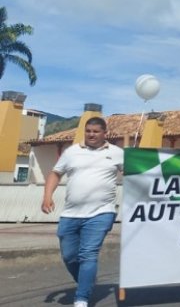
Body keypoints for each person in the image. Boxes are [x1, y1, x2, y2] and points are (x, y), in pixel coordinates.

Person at [41, 117, 124, 307]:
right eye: (88, 131)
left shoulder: (117, 153)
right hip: (70, 213)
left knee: (88, 254)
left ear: (105, 133)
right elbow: (55, 173)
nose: (91, 134)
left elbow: (132, 173)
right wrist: (47, 196)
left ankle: (82, 298)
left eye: (95, 131)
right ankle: (87, 281)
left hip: (102, 212)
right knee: (69, 256)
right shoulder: (72, 152)